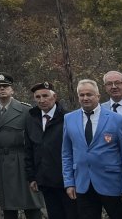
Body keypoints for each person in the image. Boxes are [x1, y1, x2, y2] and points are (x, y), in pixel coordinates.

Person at [61, 79, 122, 219]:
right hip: (82, 183)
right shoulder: (69, 118)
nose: (85, 98)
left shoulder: (117, 120)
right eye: (82, 95)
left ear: (98, 96)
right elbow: (66, 153)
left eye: (89, 94)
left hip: (112, 183)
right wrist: (69, 182)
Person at [0, 74, 42, 219]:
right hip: (2, 162)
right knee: (8, 207)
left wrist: (35, 165)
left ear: (12, 90)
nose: (2, 89)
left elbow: (35, 141)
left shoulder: (26, 110)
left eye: (5, 86)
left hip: (23, 160)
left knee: (31, 204)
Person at [24, 82, 74, 219]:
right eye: (38, 97)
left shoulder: (68, 117)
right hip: (45, 180)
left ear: (55, 96)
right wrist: (32, 176)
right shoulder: (31, 118)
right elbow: (29, 149)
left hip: (66, 180)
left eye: (45, 96)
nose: (42, 100)